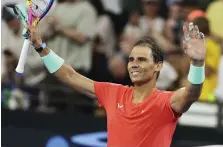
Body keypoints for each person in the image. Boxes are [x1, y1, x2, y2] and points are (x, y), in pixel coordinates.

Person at [25, 21, 206, 147]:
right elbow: (70, 76)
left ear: (158, 65)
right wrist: (41, 47)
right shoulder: (113, 92)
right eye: (131, 59)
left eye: (142, 60)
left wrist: (197, 63)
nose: (134, 64)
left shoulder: (167, 101)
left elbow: (192, 93)